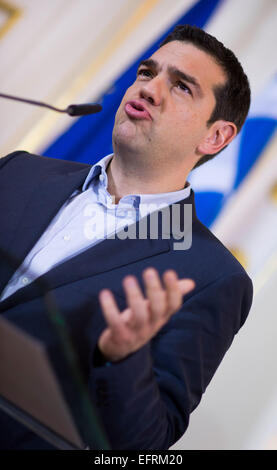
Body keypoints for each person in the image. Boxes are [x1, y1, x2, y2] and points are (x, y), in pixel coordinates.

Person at [0, 24, 252, 449]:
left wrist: (123, 358)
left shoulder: (211, 276)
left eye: (182, 87)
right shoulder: (18, 172)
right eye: (146, 72)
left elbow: (142, 447)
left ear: (216, 136)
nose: (150, 89)